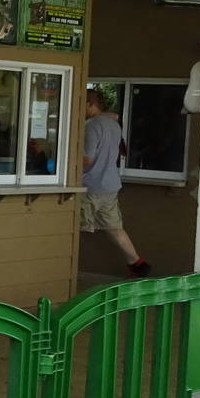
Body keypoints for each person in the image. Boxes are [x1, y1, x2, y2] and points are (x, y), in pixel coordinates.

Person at [82, 87, 150, 277]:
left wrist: (65, 162)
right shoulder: (113, 125)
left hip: (90, 185)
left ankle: (63, 269)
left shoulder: (91, 126)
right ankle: (136, 262)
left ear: (90, 104)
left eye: (82, 103)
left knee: (74, 227)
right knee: (114, 228)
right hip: (110, 185)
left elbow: (87, 159)